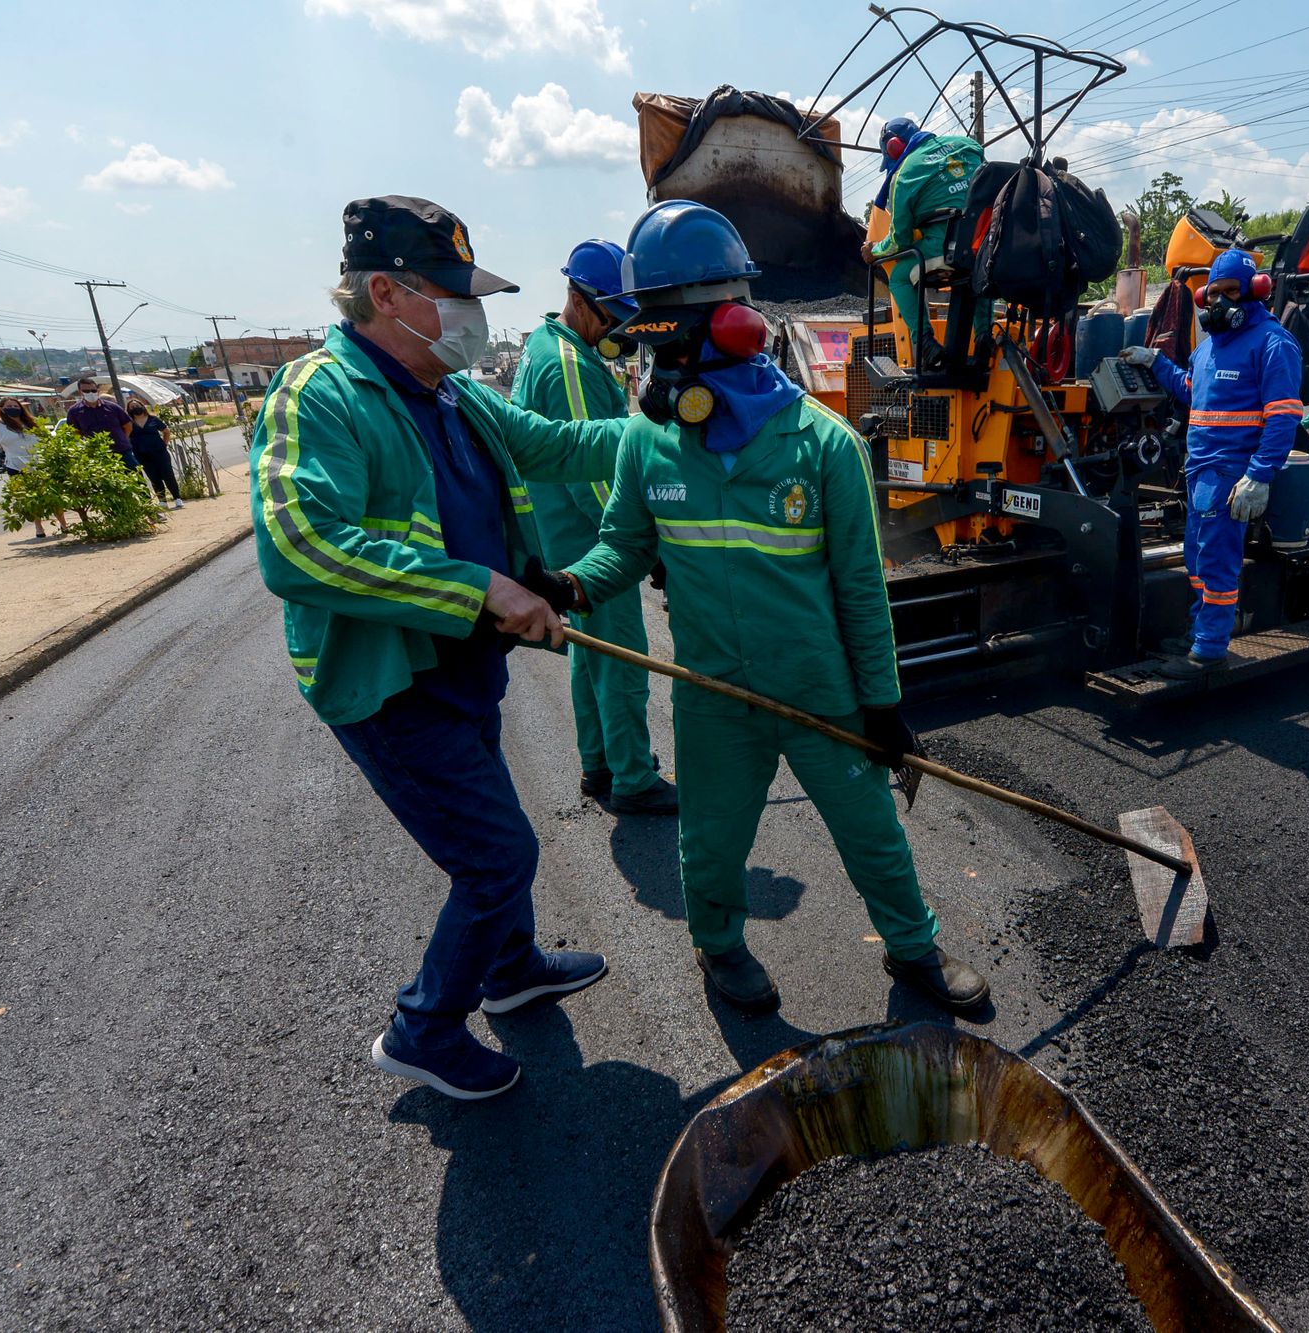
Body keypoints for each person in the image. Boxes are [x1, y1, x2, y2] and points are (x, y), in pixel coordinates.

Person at [536, 201, 991, 1018]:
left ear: (735, 323)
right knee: (710, 843)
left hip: (821, 692)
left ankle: (912, 948)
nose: (649, 349)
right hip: (715, 693)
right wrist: (570, 586)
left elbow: (861, 590)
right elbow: (624, 545)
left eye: (664, 328)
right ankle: (718, 947)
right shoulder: (649, 443)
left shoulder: (824, 447)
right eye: (644, 330)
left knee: (873, 835)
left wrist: (883, 704)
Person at [250, 195, 630, 1101]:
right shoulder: (322, 394)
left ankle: (511, 967)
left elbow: (558, 444)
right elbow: (297, 542)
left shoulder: (455, 394)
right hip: (388, 686)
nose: (474, 313)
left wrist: (673, 432)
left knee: (491, 825)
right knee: (495, 856)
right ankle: (423, 1028)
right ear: (384, 292)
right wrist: (478, 588)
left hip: (461, 667)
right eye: (453, 293)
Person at [511, 240, 678, 817]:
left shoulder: (549, 348)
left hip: (566, 541)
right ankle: (633, 778)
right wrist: (641, 546)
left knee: (591, 655)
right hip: (591, 538)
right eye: (614, 318)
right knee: (624, 658)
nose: (622, 332)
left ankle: (598, 764)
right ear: (580, 302)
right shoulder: (568, 366)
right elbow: (593, 472)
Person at [1121, 248, 1301, 674]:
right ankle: (1197, 632)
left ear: (1254, 292)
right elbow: (1190, 389)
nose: (1219, 303)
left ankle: (1208, 651)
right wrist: (1156, 362)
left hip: (1231, 475)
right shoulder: (1209, 351)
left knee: (1217, 559)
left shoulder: (1273, 344)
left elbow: (1283, 417)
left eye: (1230, 292)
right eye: (1212, 294)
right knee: (1197, 558)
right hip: (1200, 471)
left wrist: (1259, 476)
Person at [866, 116, 989, 359]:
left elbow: (898, 241)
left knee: (900, 278)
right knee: (978, 270)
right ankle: (984, 336)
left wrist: (874, 250)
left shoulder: (905, 174)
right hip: (987, 246)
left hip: (946, 248)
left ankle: (924, 343)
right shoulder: (970, 146)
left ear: (894, 146)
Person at [0, 397, 59, 538]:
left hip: (39, 464)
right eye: (9, 406)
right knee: (29, 499)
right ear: (1, 409)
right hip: (16, 466)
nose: (13, 408)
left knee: (52, 495)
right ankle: (39, 528)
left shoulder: (31, 422)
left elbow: (45, 438)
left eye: (15, 405)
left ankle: (63, 524)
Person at [126, 401, 184, 509]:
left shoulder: (153, 419)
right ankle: (162, 501)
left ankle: (177, 498)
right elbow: (126, 436)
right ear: (129, 410)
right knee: (154, 477)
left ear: (142, 406)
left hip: (159, 452)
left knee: (168, 475)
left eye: (137, 406)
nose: (135, 408)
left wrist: (164, 444)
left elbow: (166, 431)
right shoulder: (129, 423)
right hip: (142, 455)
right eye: (132, 407)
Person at [65, 376, 134, 464]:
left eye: (93, 390)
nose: (91, 393)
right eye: (86, 391)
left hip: (122, 451)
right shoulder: (74, 411)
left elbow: (127, 425)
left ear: (97, 390)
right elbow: (74, 432)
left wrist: (123, 438)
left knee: (135, 474)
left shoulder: (112, 407)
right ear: (80, 392)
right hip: (97, 455)